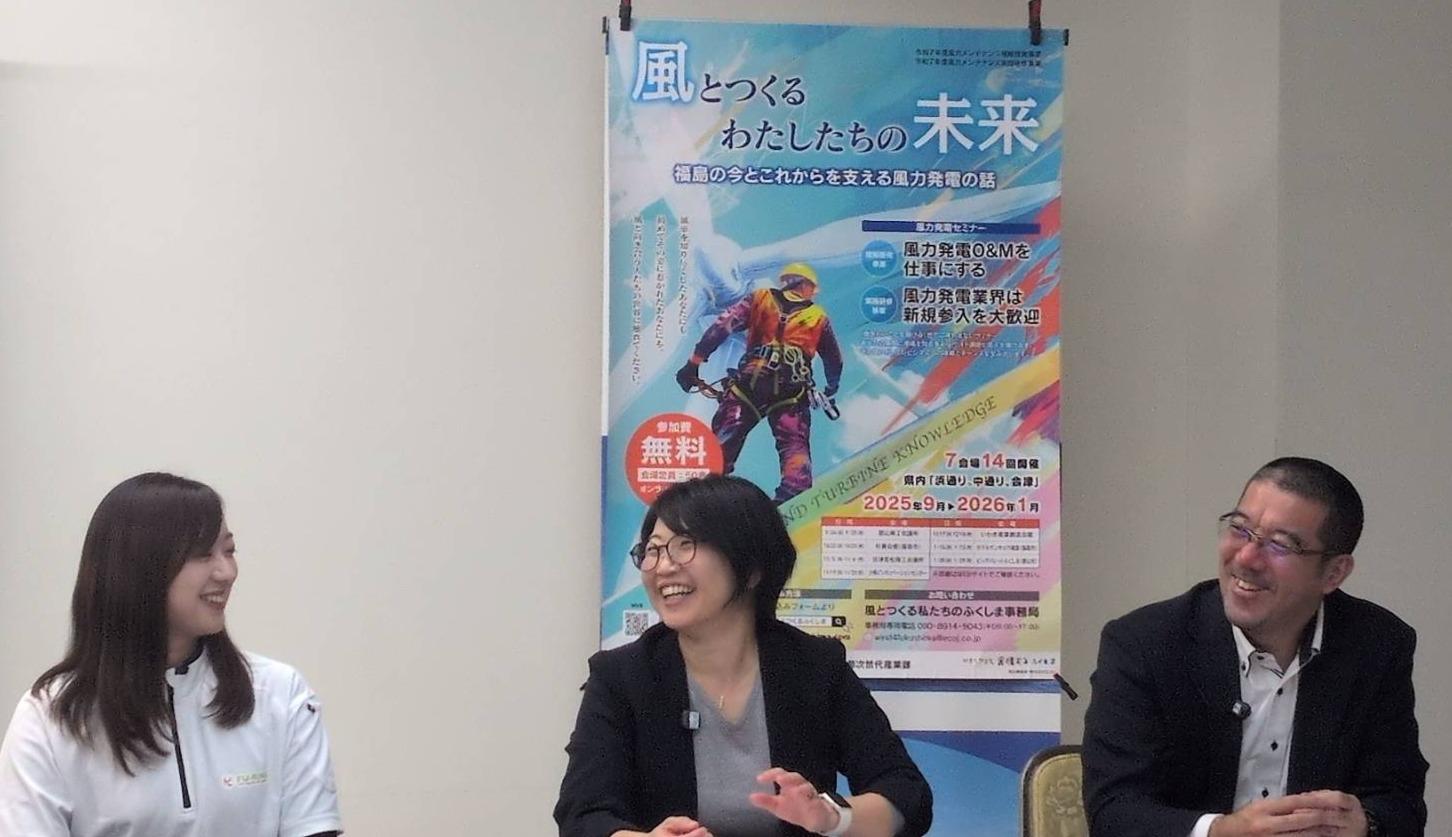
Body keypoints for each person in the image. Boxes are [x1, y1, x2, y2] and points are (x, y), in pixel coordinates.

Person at [554, 474, 932, 837]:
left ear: (750, 569)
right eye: (652, 550)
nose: (663, 567)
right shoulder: (621, 677)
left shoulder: (815, 666)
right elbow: (582, 814)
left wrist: (831, 816)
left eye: (685, 545)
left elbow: (906, 795)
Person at [1082, 457, 1427, 837]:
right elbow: (1114, 812)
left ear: (1334, 573)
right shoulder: (1145, 643)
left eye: (1280, 545)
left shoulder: (1376, 646)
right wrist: (1220, 832)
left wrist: (1364, 823)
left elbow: (1400, 801)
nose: (1246, 558)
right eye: (1239, 529)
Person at [0, 473, 343, 837]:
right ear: (139, 568)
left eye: (229, 550)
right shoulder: (49, 717)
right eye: (203, 553)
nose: (227, 572)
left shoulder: (281, 695)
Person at [675, 263, 844, 503]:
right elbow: (834, 361)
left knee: (722, 443)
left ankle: (707, 495)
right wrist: (831, 389)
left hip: (748, 388)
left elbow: (722, 327)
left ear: (785, 281)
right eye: (812, 289)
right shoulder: (818, 317)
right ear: (806, 286)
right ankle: (793, 496)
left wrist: (693, 364)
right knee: (794, 448)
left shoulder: (759, 299)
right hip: (791, 394)